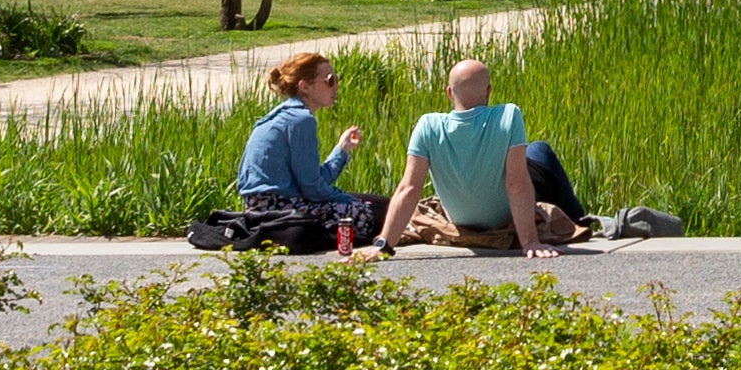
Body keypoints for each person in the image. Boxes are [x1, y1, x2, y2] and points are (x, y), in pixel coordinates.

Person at [386, 51, 594, 252]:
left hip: (460, 220)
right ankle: (577, 220)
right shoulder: (508, 115)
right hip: (505, 217)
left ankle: (576, 218)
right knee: (539, 149)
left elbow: (409, 188)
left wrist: (384, 245)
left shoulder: (427, 125)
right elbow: (517, 184)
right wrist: (530, 242)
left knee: (530, 153)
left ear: (449, 92)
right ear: (488, 91)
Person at [230, 44, 372, 246]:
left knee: (369, 202)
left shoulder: (285, 115)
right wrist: (347, 200)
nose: (336, 87)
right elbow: (313, 188)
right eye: (330, 81)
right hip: (277, 207)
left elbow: (311, 182)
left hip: (262, 205)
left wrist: (342, 149)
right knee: (363, 212)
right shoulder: (300, 120)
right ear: (305, 86)